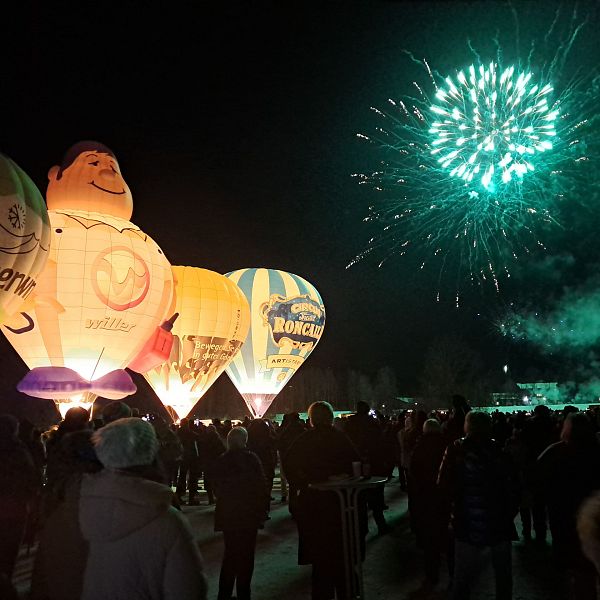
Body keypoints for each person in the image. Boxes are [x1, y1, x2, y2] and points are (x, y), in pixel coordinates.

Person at [32, 417, 207, 600]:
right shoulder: (168, 520)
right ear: (152, 454)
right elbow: (187, 590)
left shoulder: (66, 514)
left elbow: (43, 583)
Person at [285, 401, 361, 600]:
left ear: (311, 419)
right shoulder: (340, 438)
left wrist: (305, 483)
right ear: (330, 417)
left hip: (314, 508)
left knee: (321, 564)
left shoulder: (303, 440)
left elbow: (290, 466)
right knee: (342, 559)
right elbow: (355, 462)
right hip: (339, 508)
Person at [438, 411, 518, 600]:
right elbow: (513, 486)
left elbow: (443, 484)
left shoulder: (455, 449)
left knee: (462, 578)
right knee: (503, 576)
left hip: (466, 521)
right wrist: (509, 513)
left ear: (468, 426)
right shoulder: (499, 450)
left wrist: (451, 512)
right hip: (498, 522)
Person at [537, 412, 600, 600]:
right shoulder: (596, 450)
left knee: (576, 570)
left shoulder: (556, 452)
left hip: (565, 517)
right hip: (591, 515)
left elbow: (536, 478)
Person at [212, 426, 267, 600]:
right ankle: (244, 592)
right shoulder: (251, 459)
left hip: (228, 514)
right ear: (245, 440)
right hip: (248, 514)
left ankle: (224, 593)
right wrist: (262, 510)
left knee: (230, 553)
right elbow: (261, 486)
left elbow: (216, 486)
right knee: (247, 555)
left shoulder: (222, 460)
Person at [0, 415, 39, 590]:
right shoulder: (19, 451)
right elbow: (30, 480)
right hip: (14, 509)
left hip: (12, 506)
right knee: (8, 549)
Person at [409, 418, 449, 587]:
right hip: (443, 496)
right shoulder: (447, 445)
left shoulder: (419, 447)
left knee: (430, 538)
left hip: (425, 497)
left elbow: (414, 473)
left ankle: (431, 574)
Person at [343, 400, 391, 534]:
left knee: (359, 497)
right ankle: (381, 525)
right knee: (376, 496)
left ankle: (361, 527)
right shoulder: (372, 424)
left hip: (356, 464)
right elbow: (380, 443)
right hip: (374, 463)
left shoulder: (350, 423)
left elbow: (347, 442)